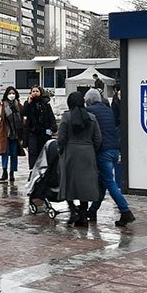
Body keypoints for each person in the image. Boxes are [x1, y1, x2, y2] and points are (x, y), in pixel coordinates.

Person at [85, 88, 135, 226]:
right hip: (114, 150)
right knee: (102, 183)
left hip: (103, 151)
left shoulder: (90, 112)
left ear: (88, 100)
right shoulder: (108, 110)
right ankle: (92, 211)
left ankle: (126, 211)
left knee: (110, 183)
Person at [57, 91, 101, 227]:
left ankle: (72, 211)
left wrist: (61, 150)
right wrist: (92, 150)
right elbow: (98, 139)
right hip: (88, 153)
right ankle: (83, 214)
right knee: (85, 184)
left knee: (69, 182)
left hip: (71, 153)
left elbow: (61, 138)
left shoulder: (66, 117)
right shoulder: (92, 118)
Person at [22, 86, 57, 170]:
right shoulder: (28, 103)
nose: (35, 93)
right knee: (32, 151)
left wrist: (53, 127)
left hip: (44, 131)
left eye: (37, 91)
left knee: (43, 150)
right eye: (33, 91)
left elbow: (50, 115)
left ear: (40, 92)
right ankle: (33, 169)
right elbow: (24, 113)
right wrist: (28, 103)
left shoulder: (45, 103)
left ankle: (43, 168)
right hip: (32, 131)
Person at [0, 86, 24, 184]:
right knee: (4, 152)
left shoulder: (19, 105)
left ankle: (12, 172)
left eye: (13, 93)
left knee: (14, 154)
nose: (11, 95)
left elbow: (22, 118)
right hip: (5, 132)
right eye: (10, 93)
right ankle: (4, 171)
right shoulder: (1, 105)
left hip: (15, 133)